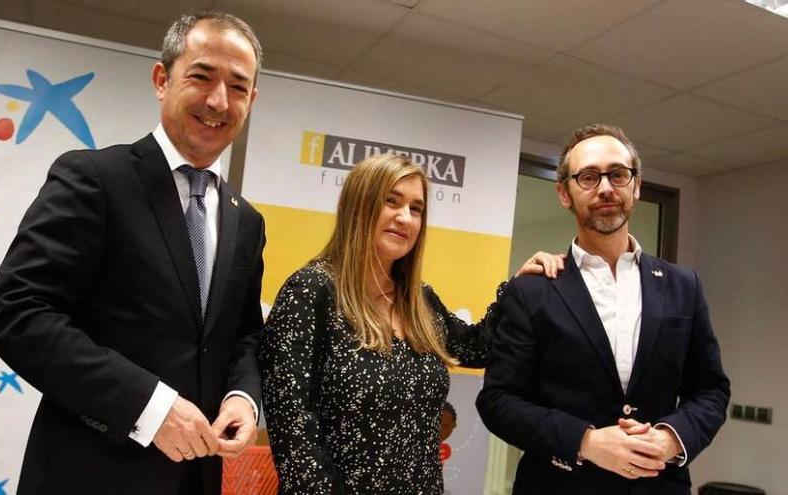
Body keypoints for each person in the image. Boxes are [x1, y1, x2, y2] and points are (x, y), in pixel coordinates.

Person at [0, 12, 265, 495]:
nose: (219, 100)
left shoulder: (247, 221)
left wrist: (243, 397)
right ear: (162, 79)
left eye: (238, 87)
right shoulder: (94, 179)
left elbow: (243, 336)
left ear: (252, 100)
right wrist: (149, 408)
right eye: (201, 76)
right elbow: (19, 314)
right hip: (88, 475)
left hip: (195, 480)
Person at [259, 153, 563, 494]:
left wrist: (518, 288)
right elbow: (293, 428)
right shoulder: (310, 291)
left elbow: (476, 348)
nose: (405, 218)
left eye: (416, 209)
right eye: (392, 202)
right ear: (358, 206)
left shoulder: (419, 299)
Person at [476, 124, 730, 495]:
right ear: (564, 193)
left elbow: (710, 390)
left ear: (636, 185)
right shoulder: (532, 290)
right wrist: (586, 441)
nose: (606, 188)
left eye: (618, 174)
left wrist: (670, 439)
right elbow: (498, 400)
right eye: (589, 177)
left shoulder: (683, 285)